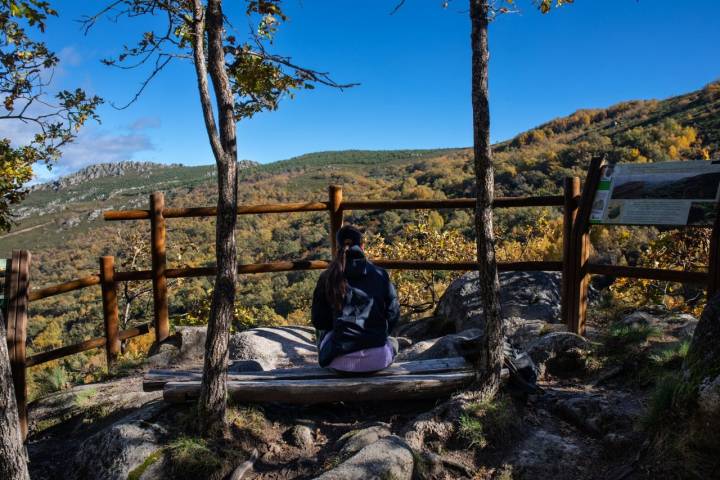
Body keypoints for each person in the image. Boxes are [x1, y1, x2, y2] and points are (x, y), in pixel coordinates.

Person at [311, 225, 400, 372]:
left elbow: (319, 321)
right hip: (378, 360)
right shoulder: (380, 274)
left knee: (324, 336)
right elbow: (393, 313)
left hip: (339, 363)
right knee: (393, 342)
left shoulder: (327, 277)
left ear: (337, 248)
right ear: (362, 246)